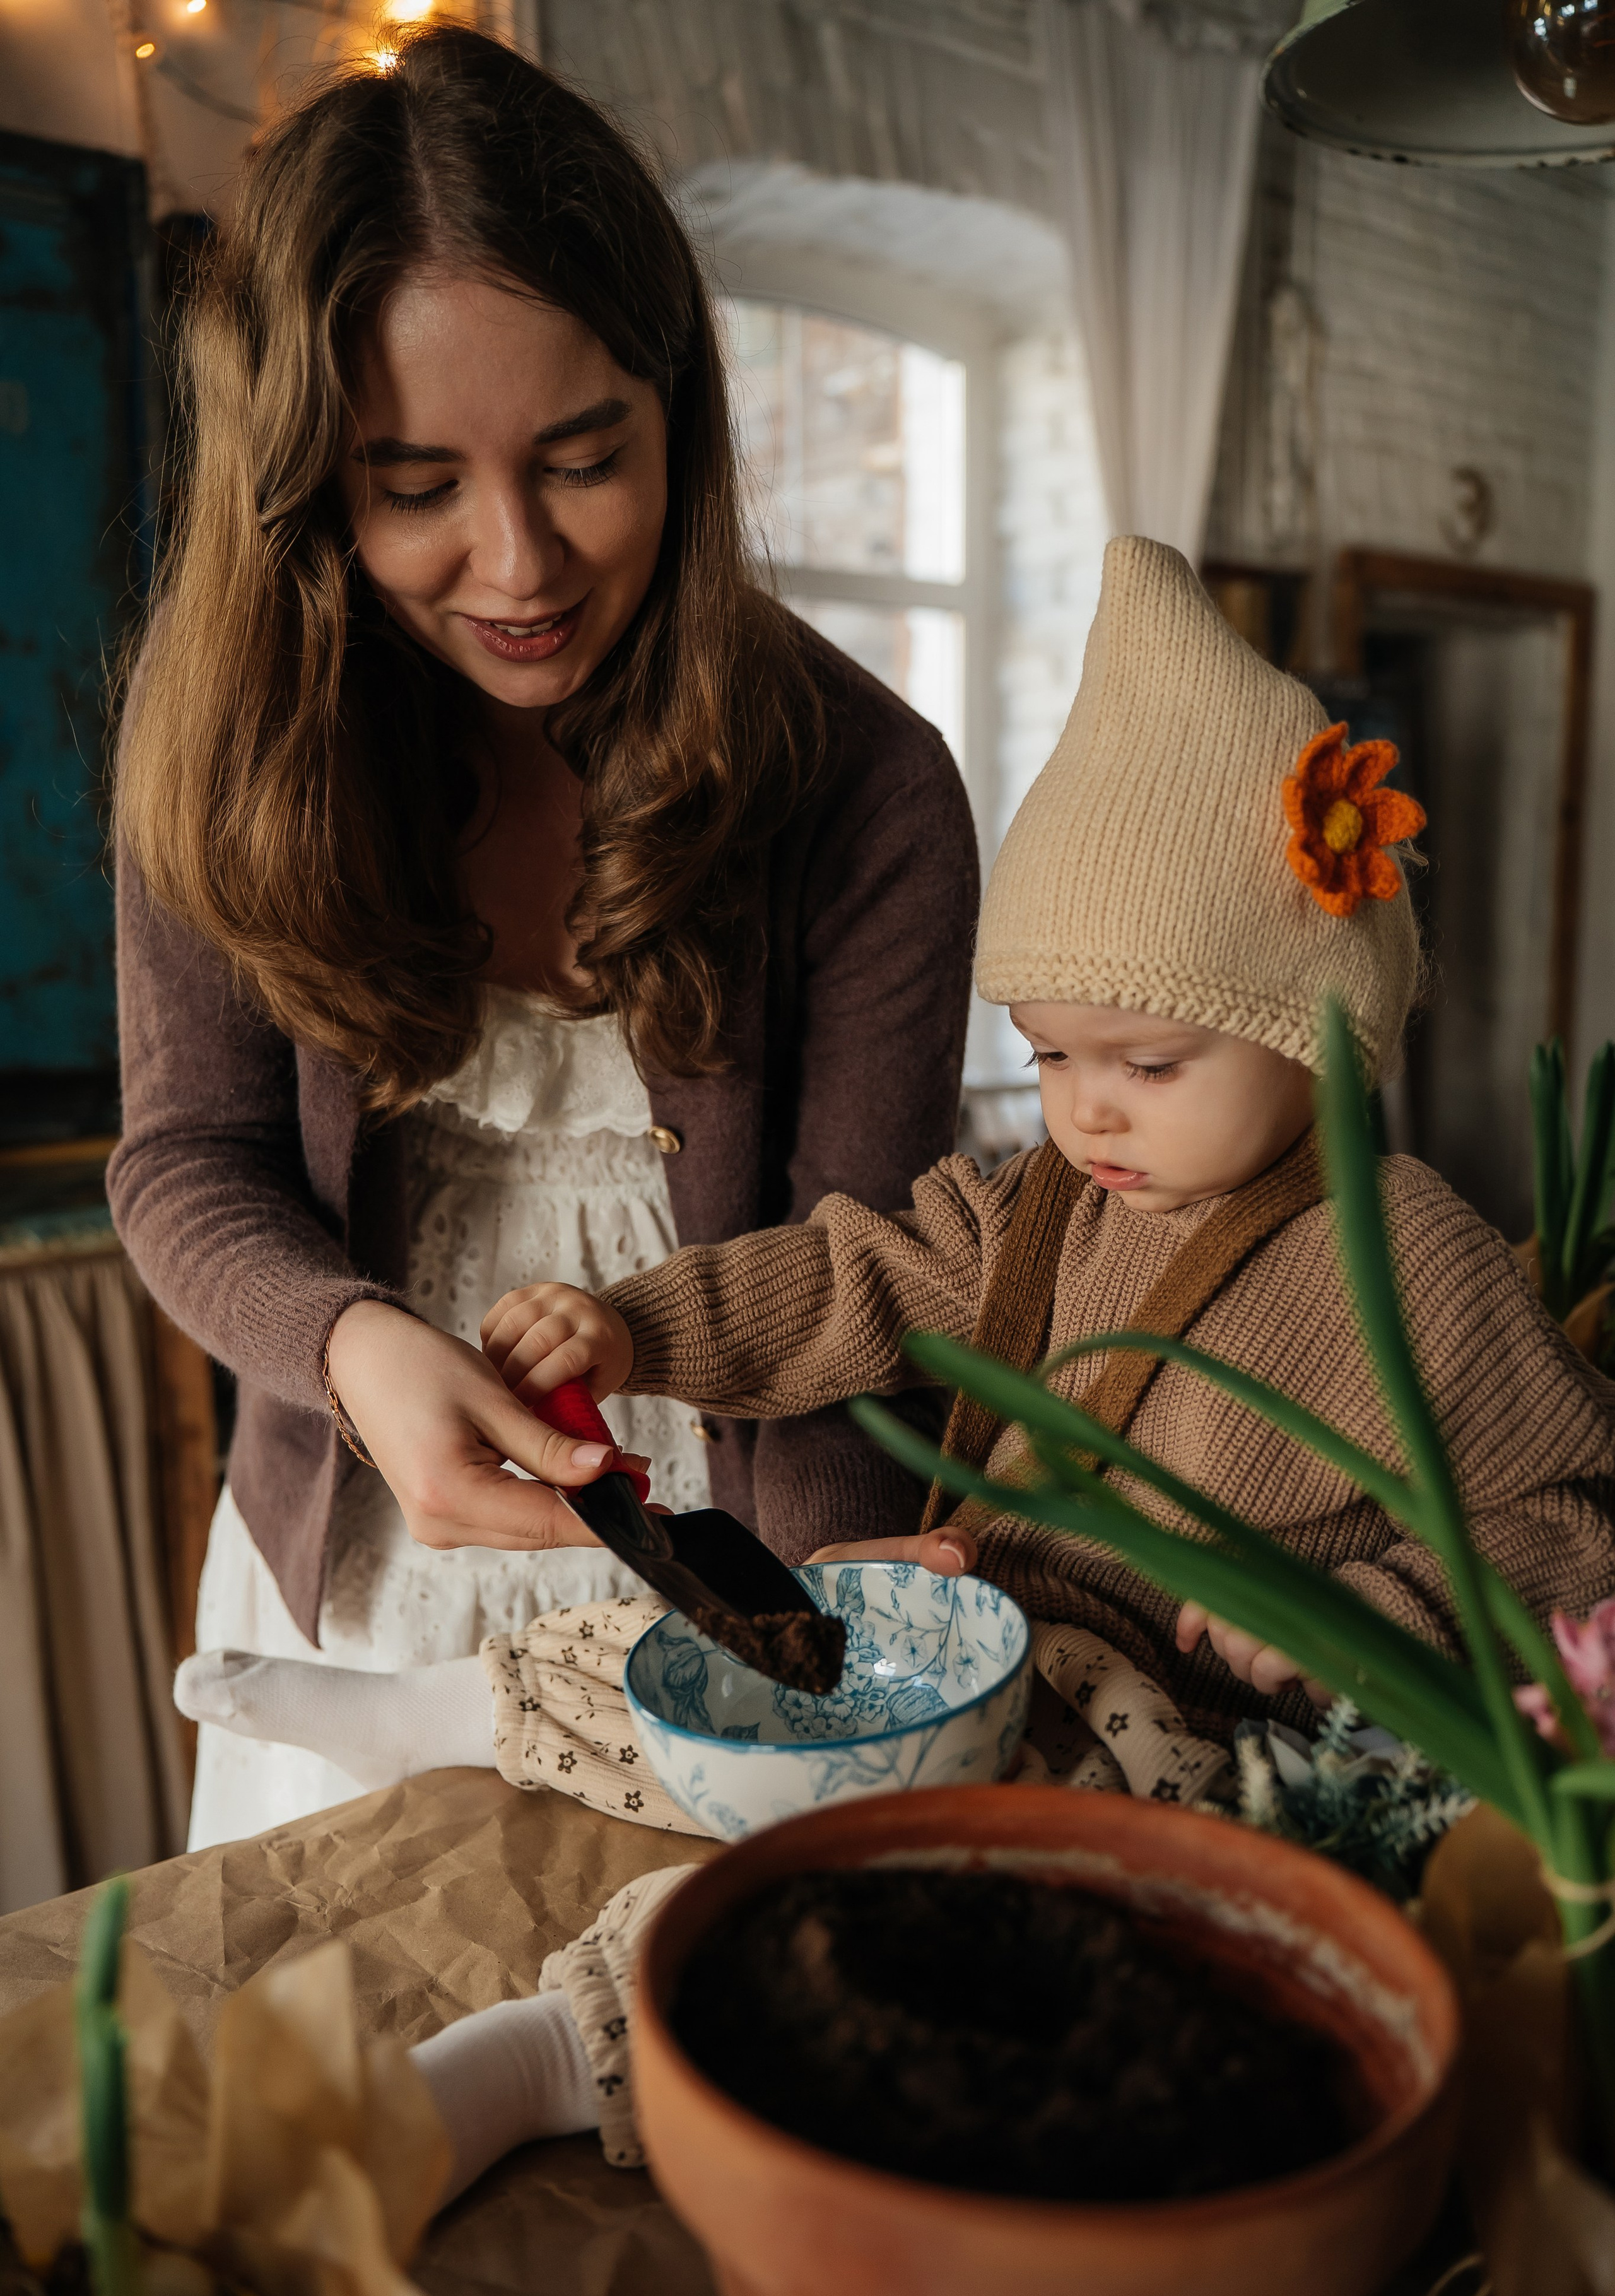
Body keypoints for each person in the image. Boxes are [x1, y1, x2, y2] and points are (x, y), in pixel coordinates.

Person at [181, 534, 1615, 1803]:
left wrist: (1359, 1611)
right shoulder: (1042, 1207)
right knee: (700, 1647)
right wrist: (643, 1328)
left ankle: (565, 2046)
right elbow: (843, 1273)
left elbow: (1568, 1530)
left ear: (1317, 1039)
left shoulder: (1415, 1262)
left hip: (1173, 1737)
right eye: (1050, 1058)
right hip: (988, 1654)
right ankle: (452, 1720)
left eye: (1146, 1066)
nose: (1088, 1114)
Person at [110, 24, 978, 1847]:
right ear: (308, 487)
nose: (517, 565)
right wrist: (348, 1346)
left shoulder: (869, 789)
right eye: (416, 487)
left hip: (730, 1562)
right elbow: (188, 1162)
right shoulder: (227, 747)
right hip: (350, 1570)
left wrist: (806, 1679)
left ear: (682, 410)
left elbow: (860, 1280)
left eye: (585, 459)